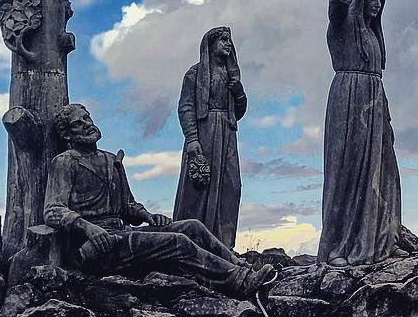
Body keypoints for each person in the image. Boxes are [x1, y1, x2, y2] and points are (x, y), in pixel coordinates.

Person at [43, 103, 274, 298]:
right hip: (95, 245)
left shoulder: (111, 160)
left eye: (87, 118)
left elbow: (127, 206)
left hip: (120, 232)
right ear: (67, 135)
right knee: (178, 242)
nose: (86, 124)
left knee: (192, 226)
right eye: (77, 124)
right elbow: (53, 210)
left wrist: (148, 216)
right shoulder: (65, 162)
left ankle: (239, 265)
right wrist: (87, 227)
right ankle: (237, 281)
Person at [318, 0, 403, 266]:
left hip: (374, 98)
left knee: (384, 170)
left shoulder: (372, 32)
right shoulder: (342, 24)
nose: (377, 6)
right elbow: (338, 1)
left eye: (381, 0)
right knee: (348, 171)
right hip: (349, 97)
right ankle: (341, 246)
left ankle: (382, 238)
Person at [173, 26, 246, 248]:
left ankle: (224, 243)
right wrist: (192, 138)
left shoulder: (232, 77)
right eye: (223, 40)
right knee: (198, 187)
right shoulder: (194, 74)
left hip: (227, 134)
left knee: (231, 185)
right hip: (204, 134)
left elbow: (239, 112)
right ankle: (192, 241)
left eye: (229, 41)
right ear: (210, 45)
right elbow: (185, 107)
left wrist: (239, 93)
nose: (228, 44)